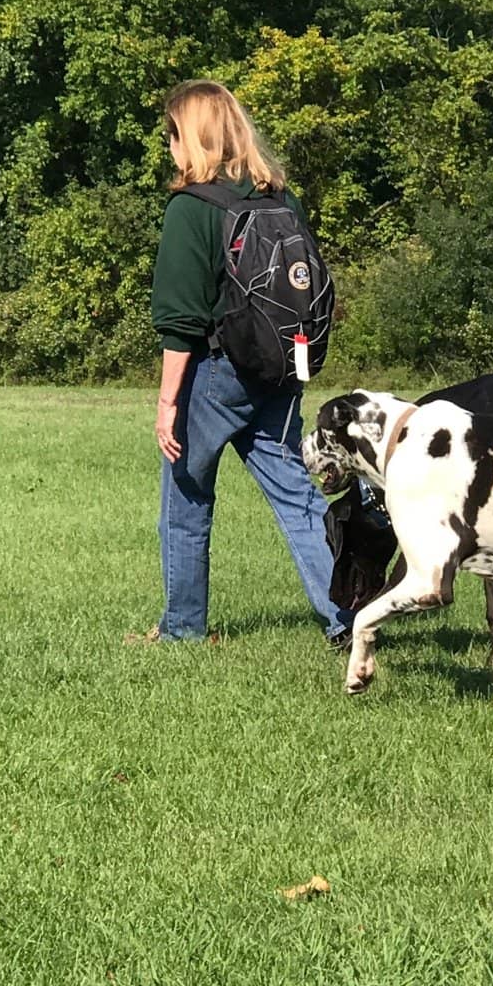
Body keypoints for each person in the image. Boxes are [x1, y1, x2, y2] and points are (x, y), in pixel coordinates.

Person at [127, 79, 351, 648]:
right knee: (297, 497)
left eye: (171, 133)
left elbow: (180, 321)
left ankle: (182, 630)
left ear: (191, 138)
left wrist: (166, 404)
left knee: (186, 495)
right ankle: (348, 616)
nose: (168, 146)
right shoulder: (280, 198)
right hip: (280, 370)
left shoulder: (191, 207)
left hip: (215, 374)